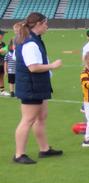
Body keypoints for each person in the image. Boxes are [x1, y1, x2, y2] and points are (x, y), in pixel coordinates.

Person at [13, 12, 63, 164]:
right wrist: (52, 66)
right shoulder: (30, 42)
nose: (47, 26)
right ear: (39, 24)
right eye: (46, 23)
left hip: (37, 85)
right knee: (27, 120)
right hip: (31, 86)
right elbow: (33, 67)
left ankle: (44, 149)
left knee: (41, 118)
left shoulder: (32, 40)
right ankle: (19, 154)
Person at [0, 29, 8, 96]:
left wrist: (5, 51)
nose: (3, 36)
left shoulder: (3, 43)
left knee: (1, 76)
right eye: (2, 34)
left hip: (1, 63)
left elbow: (5, 52)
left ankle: (2, 91)